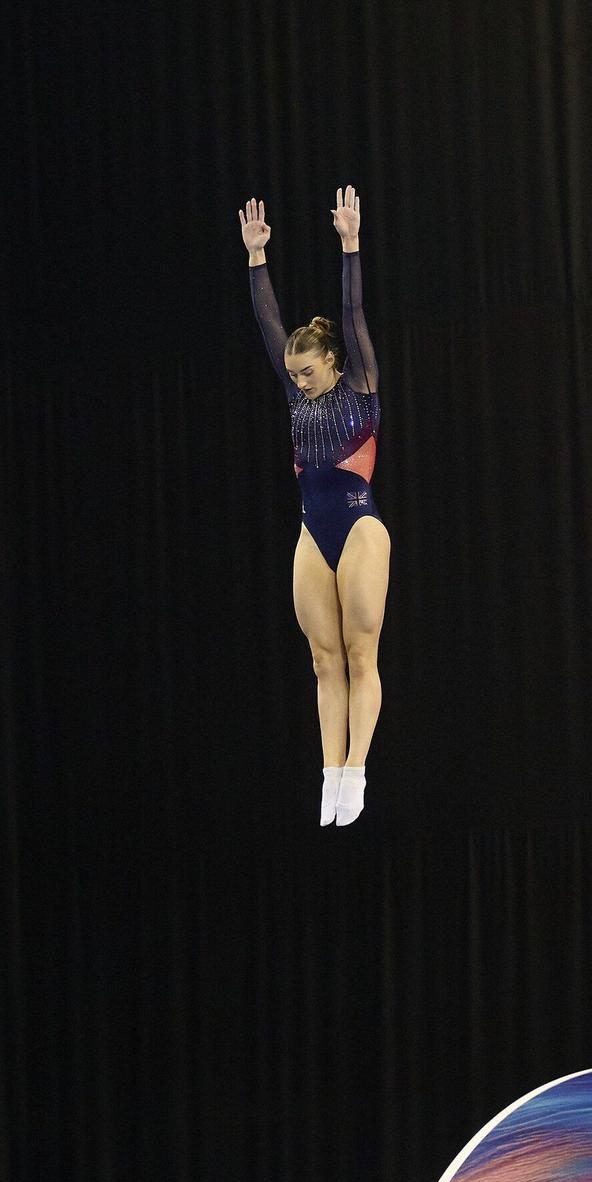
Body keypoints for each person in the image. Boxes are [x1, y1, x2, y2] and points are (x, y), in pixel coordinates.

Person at [238, 187, 391, 825]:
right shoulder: (298, 398)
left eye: (306, 372)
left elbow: (354, 312)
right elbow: (266, 321)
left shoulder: (359, 379)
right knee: (322, 659)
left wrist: (351, 246)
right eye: (291, 373)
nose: (296, 381)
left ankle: (357, 769)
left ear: (332, 363)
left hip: (358, 524)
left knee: (360, 654)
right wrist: (256, 259)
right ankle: (330, 774)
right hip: (313, 528)